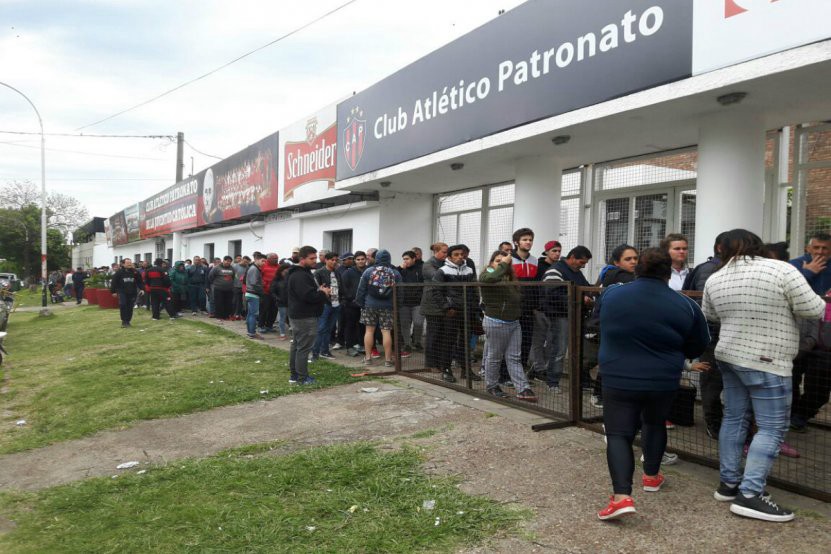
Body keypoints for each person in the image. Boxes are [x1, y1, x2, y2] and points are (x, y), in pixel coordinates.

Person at [703, 229, 825, 523]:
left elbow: (710, 313)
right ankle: (751, 494)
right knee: (772, 428)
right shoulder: (781, 269)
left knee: (734, 418)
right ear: (757, 246)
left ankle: (729, 484)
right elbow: (814, 308)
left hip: (729, 356)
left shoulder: (715, 277)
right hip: (768, 359)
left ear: (722, 250)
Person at [596, 247, 710, 520]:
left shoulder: (612, 294)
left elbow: (599, 319)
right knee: (655, 423)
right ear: (668, 272)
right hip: (663, 378)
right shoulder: (685, 304)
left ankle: (622, 497)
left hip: (618, 375)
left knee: (619, 434)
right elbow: (699, 343)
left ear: (637, 270)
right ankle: (651, 477)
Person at [479, 251, 537, 402]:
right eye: (497, 261)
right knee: (495, 356)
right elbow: (489, 279)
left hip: (514, 323)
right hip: (495, 322)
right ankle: (492, 385)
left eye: (504, 261)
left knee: (514, 357)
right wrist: (504, 263)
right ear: (491, 262)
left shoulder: (510, 278)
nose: (501, 263)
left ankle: (523, 388)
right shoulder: (487, 274)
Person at [541, 246, 592, 392]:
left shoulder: (576, 272)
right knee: (559, 350)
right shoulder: (555, 270)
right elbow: (552, 294)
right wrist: (581, 298)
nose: (583, 266)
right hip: (560, 316)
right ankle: (552, 382)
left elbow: (586, 287)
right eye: (582, 262)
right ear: (573, 257)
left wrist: (587, 296)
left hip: (576, 315)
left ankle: (580, 382)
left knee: (577, 350)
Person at [429, 244, 477, 383]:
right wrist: (446, 308)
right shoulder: (442, 271)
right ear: (449, 257)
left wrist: (474, 307)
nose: (460, 257)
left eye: (461, 254)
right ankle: (446, 370)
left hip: (467, 311)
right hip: (452, 312)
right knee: (448, 341)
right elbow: (436, 291)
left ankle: (466, 370)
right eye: (456, 254)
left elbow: (473, 290)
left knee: (465, 342)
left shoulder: (469, 270)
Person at [286, 246, 329, 384]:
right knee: (303, 347)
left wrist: (319, 291)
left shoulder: (301, 273)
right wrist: (322, 293)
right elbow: (308, 296)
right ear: (302, 259)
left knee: (297, 345)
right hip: (304, 316)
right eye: (311, 258)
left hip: (299, 314)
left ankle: (295, 375)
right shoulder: (300, 275)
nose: (315, 260)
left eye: (315, 257)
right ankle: (302, 377)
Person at [356, 249, 401, 367]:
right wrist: (397, 306)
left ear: (376, 259)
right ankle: (388, 360)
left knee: (369, 331)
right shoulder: (395, 273)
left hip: (370, 305)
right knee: (386, 331)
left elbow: (361, 290)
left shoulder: (368, 271)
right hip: (388, 306)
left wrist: (361, 304)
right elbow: (400, 292)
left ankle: (368, 358)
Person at [530, 241, 563, 377]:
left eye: (559, 251)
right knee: (538, 340)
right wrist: (535, 305)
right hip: (539, 308)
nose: (557, 254)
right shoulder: (539, 266)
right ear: (547, 252)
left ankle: (543, 367)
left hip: (554, 309)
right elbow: (534, 286)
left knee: (551, 340)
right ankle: (538, 368)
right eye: (554, 251)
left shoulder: (560, 267)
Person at [509, 228, 539, 371]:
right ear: (516, 242)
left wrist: (535, 305)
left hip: (528, 308)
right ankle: (505, 374)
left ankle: (521, 372)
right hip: (512, 307)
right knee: (510, 342)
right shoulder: (508, 259)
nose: (528, 242)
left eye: (530, 240)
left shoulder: (535, 261)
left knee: (526, 340)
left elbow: (536, 285)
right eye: (524, 240)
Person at [420, 242, 449, 372]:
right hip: (432, 305)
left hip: (443, 303)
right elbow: (438, 277)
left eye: (447, 252)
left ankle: (441, 362)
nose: (446, 254)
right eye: (444, 252)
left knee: (443, 335)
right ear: (436, 252)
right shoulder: (428, 265)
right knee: (433, 335)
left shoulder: (445, 264)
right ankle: (430, 363)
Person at [312, 252, 341, 361]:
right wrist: (323, 291)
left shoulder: (337, 272)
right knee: (320, 329)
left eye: (336, 260)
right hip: (325, 304)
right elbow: (315, 288)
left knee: (329, 329)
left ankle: (324, 351)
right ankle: (315, 353)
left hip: (336, 304)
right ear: (326, 260)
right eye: (332, 260)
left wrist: (341, 300)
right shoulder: (319, 272)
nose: (334, 262)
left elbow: (340, 287)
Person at [341, 251, 368, 356]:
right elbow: (343, 287)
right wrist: (350, 298)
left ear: (366, 260)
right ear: (355, 261)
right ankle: (349, 347)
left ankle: (361, 345)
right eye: (358, 259)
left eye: (362, 259)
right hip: (351, 304)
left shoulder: (369, 271)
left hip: (365, 304)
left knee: (363, 326)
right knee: (350, 326)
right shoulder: (348, 273)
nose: (360, 261)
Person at [397, 250, 423, 356]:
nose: (405, 261)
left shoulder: (420, 269)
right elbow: (393, 275)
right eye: (404, 259)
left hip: (418, 302)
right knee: (405, 324)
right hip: (404, 303)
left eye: (407, 259)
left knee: (418, 323)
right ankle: (407, 344)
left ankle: (417, 342)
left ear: (414, 259)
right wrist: (400, 268)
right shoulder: (401, 270)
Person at [789, 231, 831, 296]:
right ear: (808, 249)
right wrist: (808, 272)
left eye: (824, 248)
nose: (820, 252)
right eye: (816, 248)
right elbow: (790, 289)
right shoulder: (795, 264)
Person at [110, 258, 143, 327]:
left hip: (132, 292)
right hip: (122, 292)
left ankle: (128, 321)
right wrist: (113, 291)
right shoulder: (119, 272)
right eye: (127, 263)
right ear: (123, 264)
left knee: (130, 306)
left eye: (130, 263)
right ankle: (124, 321)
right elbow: (114, 282)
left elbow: (140, 281)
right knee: (123, 305)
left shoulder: (135, 272)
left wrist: (142, 289)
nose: (129, 264)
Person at [244, 254, 266, 339]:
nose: (264, 263)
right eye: (262, 261)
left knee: (250, 314)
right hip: (253, 294)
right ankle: (252, 333)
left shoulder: (254, 268)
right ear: (256, 259)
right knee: (253, 315)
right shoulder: (254, 269)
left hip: (250, 293)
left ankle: (250, 332)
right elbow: (254, 283)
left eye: (265, 261)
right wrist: (262, 289)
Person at [269, 262, 291, 340]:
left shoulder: (290, 278)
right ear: (282, 270)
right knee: (282, 317)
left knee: (292, 318)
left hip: (291, 302)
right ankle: (282, 334)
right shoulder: (276, 279)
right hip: (281, 302)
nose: (287, 272)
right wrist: (277, 298)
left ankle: (293, 333)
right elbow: (272, 291)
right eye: (286, 270)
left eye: (288, 270)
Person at [258, 253, 280, 332]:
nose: (276, 260)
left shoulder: (279, 267)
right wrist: (264, 284)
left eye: (277, 258)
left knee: (274, 310)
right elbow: (259, 277)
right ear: (268, 259)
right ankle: (261, 326)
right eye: (274, 258)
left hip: (275, 293)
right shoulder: (263, 266)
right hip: (265, 292)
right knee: (264, 309)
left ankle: (269, 326)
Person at [231, 256, 248, 320]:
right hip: (236, 285)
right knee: (235, 300)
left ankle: (238, 314)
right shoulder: (235, 266)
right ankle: (233, 314)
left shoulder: (247, 267)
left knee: (241, 301)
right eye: (245, 261)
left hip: (244, 286)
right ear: (242, 260)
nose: (245, 263)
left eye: (247, 262)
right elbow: (232, 275)